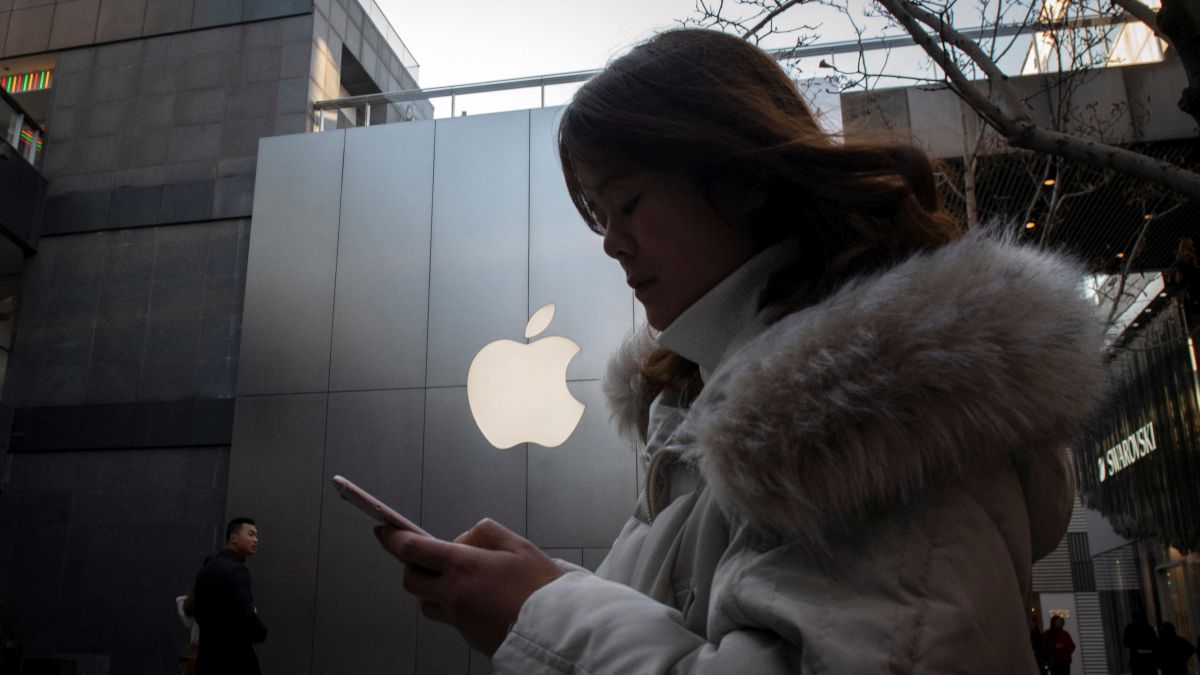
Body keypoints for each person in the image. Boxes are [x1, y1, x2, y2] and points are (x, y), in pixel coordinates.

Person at [375, 28, 1106, 672]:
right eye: (599, 214)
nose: (609, 241)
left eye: (627, 203)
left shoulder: (887, 412)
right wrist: (542, 593)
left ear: (742, 176)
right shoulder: (705, 408)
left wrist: (539, 614)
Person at [192, 517, 267, 675]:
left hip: (207, 658)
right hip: (234, 661)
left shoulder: (210, 564)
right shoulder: (237, 571)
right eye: (251, 534)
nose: (256, 540)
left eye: (256, 536)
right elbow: (246, 616)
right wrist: (261, 632)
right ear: (234, 538)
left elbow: (197, 608)